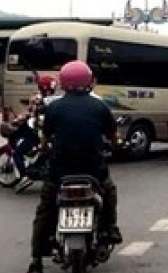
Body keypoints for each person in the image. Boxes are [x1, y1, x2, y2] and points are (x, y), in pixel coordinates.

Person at [27, 61, 121, 273]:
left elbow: (45, 139)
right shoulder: (100, 106)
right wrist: (116, 145)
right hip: (93, 171)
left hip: (60, 173)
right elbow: (113, 137)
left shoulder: (54, 107)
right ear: (88, 81)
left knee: (44, 210)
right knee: (110, 192)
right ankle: (110, 229)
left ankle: (36, 259)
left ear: (63, 82)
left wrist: (44, 148)